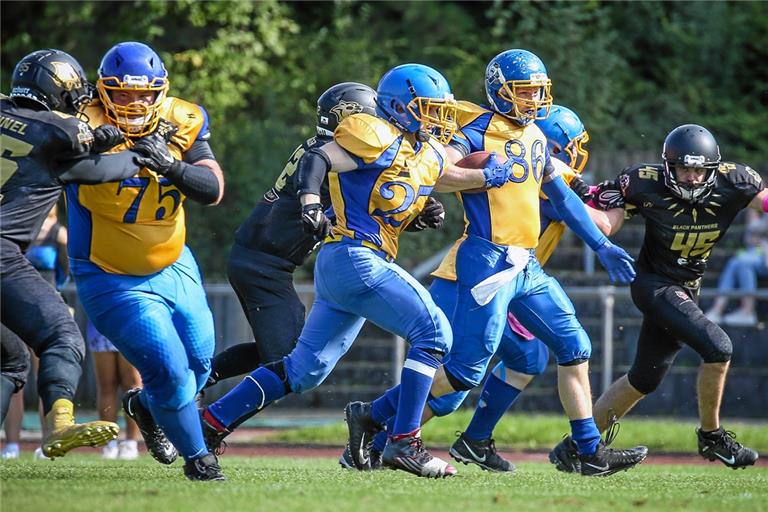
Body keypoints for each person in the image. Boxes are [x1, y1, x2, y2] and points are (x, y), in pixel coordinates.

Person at [200, 62, 520, 478]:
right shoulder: (376, 133)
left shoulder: (420, 150)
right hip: (356, 256)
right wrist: (310, 201)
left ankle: (210, 424)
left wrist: (484, 177)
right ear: (397, 107)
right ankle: (404, 442)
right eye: (428, 109)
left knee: (305, 369)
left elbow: (445, 175)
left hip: (344, 267)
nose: (438, 119)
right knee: (435, 334)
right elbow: (318, 157)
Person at [344, 50, 647, 478]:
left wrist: (600, 244)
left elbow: (561, 198)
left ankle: (588, 450)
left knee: (574, 345)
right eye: (524, 92)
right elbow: (437, 170)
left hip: (527, 267)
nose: (533, 100)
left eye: (539, 91)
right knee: (463, 374)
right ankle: (373, 418)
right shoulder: (473, 126)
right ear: (499, 92)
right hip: (486, 259)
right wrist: (483, 174)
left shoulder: (536, 138)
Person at [550, 124, 763, 471]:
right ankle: (712, 436)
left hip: (687, 287)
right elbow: (604, 220)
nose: (692, 178)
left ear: (712, 169)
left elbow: (764, 201)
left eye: (699, 170)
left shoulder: (736, 181)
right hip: (654, 284)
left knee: (643, 379)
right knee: (719, 347)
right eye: (684, 169)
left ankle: (576, 448)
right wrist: (565, 181)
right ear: (668, 167)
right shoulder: (643, 182)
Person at [65, 41, 226, 480]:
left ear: (161, 92)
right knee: (170, 372)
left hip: (175, 262)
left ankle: (145, 407)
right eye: (121, 93)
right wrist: (110, 151)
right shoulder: (79, 124)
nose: (134, 102)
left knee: (200, 363)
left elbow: (212, 189)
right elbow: (73, 170)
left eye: (144, 93)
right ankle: (199, 461)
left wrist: (171, 166)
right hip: (110, 273)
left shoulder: (183, 120)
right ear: (102, 92)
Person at [1, 48, 152, 458]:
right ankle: (59, 424)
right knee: (61, 336)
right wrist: (144, 152)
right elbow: (100, 169)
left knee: (11, 359)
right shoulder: (59, 129)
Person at [202, 82, 378, 394]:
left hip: (263, 262)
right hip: (262, 266)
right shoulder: (328, 158)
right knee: (289, 360)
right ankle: (201, 409)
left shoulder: (322, 151)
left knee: (283, 352)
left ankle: (196, 385)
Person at [2, 204, 68, 460]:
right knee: (13, 372)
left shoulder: (60, 233)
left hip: (45, 308)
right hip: (12, 307)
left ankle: (47, 443)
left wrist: (58, 298)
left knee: (47, 377)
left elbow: (65, 270)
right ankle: (11, 444)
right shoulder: (13, 227)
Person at [86, 320, 142, 460]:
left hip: (130, 322)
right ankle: (109, 443)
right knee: (106, 385)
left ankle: (131, 443)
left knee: (132, 386)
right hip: (101, 322)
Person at [705, 209, 768, 326]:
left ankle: (747, 311)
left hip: (765, 257)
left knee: (742, 262)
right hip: (755, 254)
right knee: (735, 262)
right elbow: (749, 237)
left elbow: (759, 229)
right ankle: (718, 309)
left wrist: (754, 218)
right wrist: (753, 212)